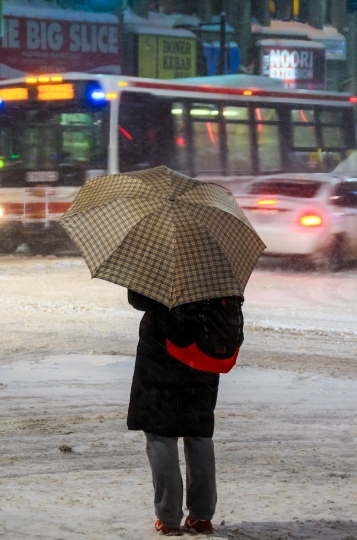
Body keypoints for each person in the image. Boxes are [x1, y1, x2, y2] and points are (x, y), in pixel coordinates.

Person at [127, 289, 244, 535]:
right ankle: (202, 517)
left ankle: (168, 519)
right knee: (198, 432)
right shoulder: (215, 258)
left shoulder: (157, 255)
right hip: (202, 352)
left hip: (161, 351)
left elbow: (138, 300)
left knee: (161, 433)